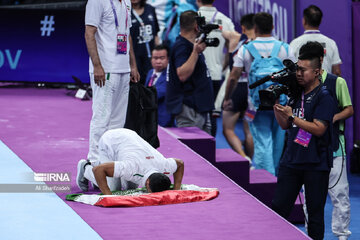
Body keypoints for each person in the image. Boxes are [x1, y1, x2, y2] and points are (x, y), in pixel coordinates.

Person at [271, 41, 336, 240]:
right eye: (297, 69)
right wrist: (277, 109)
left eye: (303, 70)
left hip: (315, 165)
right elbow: (285, 126)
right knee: (278, 210)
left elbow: (319, 128)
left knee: (315, 216)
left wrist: (292, 117)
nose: (298, 73)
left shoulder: (324, 96)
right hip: (291, 161)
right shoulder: (295, 93)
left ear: (317, 72)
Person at [224, 12, 295, 175]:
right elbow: (294, 76)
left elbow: (233, 77)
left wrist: (227, 97)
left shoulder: (246, 49)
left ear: (254, 28)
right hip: (281, 104)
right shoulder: (285, 48)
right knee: (278, 144)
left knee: (263, 144)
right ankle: (275, 177)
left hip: (256, 106)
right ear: (272, 27)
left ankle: (267, 181)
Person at [300, 42, 353, 240]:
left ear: (320, 60)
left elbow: (349, 109)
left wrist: (330, 118)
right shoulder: (300, 84)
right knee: (309, 195)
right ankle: (309, 233)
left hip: (334, 146)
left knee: (339, 193)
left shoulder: (336, 82)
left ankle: (341, 235)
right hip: (307, 144)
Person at [85, 0, 140, 163]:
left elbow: (127, 34)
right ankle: (94, 162)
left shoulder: (126, 2)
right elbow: (89, 32)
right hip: (106, 68)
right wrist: (97, 66)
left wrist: (133, 65)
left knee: (118, 121)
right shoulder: (96, 1)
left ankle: (111, 160)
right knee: (102, 118)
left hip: (123, 69)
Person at [76, 128, 184, 195]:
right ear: (147, 182)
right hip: (110, 141)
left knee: (130, 189)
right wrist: (108, 196)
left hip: (130, 139)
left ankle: (108, 172)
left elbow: (180, 163)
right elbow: (99, 170)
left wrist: (177, 189)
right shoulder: (131, 168)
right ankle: (85, 167)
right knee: (114, 189)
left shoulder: (165, 167)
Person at [166, 10, 214, 134]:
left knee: (205, 148)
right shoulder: (182, 47)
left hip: (200, 106)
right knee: (192, 148)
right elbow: (182, 74)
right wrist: (195, 53)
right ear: (196, 26)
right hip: (190, 108)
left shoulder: (191, 44)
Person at [196, 0, 235, 136]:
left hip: (195, 74)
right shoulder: (226, 21)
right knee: (211, 114)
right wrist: (223, 67)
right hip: (216, 74)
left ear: (197, 0)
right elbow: (232, 48)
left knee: (194, 114)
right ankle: (210, 149)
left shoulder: (191, 17)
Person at [221, 14, 255, 160]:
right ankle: (251, 161)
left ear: (243, 27)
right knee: (249, 131)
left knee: (228, 129)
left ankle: (242, 157)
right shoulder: (259, 44)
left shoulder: (236, 39)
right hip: (252, 89)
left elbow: (224, 32)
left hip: (237, 88)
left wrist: (219, 27)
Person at [290, 5, 342, 76]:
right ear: (320, 21)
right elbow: (337, 72)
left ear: (304, 21)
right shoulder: (331, 43)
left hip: (302, 86)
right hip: (326, 85)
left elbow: (291, 70)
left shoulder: (295, 43)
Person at [130, 0, 160, 84]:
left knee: (151, 86)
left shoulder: (150, 9)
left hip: (150, 58)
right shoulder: (125, 11)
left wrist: (158, 54)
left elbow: (156, 35)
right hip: (135, 58)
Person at [145, 44, 173, 127]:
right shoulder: (150, 72)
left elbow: (158, 93)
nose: (158, 61)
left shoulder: (170, 74)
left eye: (162, 58)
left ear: (168, 59)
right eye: (155, 58)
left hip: (164, 120)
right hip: (149, 119)